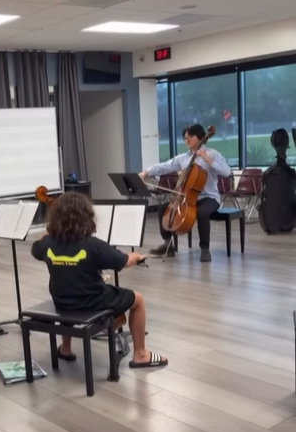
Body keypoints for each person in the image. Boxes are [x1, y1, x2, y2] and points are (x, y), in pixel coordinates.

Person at [31, 192, 168, 369]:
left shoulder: (48, 243)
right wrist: (135, 256)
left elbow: (36, 248)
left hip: (62, 301)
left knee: (69, 287)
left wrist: (49, 234)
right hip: (92, 301)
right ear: (86, 217)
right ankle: (141, 354)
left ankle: (65, 348)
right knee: (138, 300)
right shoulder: (92, 245)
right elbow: (123, 261)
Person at [139, 123, 231, 262]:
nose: (187, 140)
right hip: (187, 197)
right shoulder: (183, 158)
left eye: (190, 137)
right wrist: (146, 172)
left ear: (201, 137)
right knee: (163, 208)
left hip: (209, 197)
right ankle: (168, 245)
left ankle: (205, 249)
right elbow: (164, 166)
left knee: (202, 213)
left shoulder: (212, 154)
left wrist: (206, 159)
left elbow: (226, 172)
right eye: (185, 138)